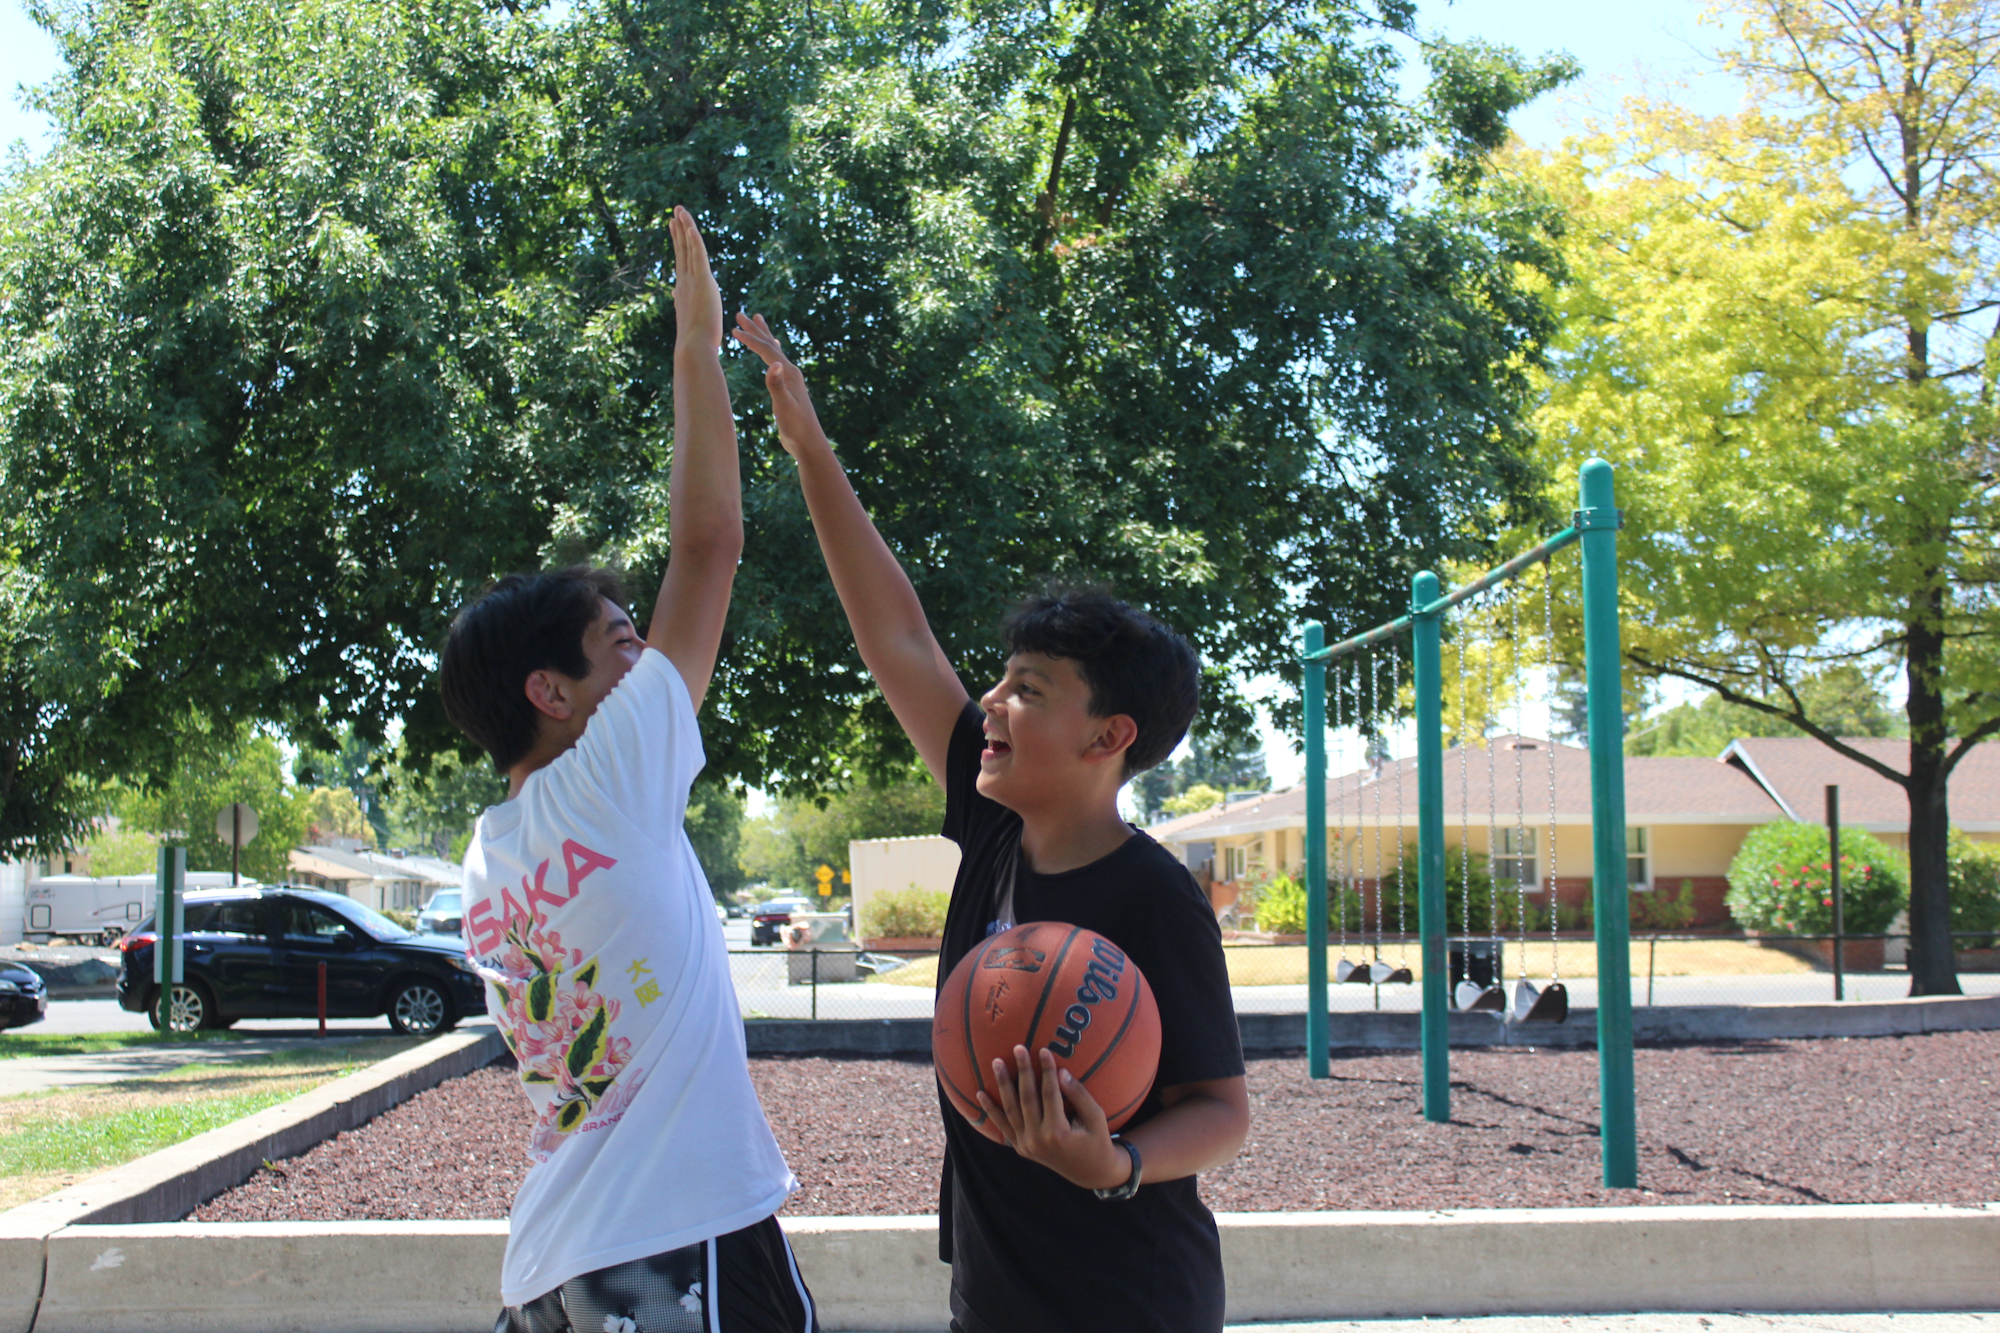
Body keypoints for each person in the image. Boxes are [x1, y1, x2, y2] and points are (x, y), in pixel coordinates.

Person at [731, 313, 1250, 1333]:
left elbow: (1222, 1111)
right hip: (995, 1284)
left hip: (1127, 1295)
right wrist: (809, 452)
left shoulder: (1150, 895)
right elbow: (897, 636)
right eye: (999, 682)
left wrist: (1116, 1162)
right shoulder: (992, 822)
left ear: (1108, 736)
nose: (993, 705)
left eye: (1028, 688)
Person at [440, 212, 818, 1333]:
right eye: (617, 640)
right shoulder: (604, 779)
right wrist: (692, 350)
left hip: (554, 1270)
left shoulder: (487, 852)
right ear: (549, 696)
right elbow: (709, 543)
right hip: (666, 1257)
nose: (646, 653)